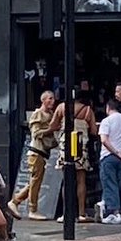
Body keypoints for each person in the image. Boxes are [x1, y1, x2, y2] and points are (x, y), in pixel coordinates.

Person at [8, 91, 56, 221]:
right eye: (50, 99)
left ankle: (15, 202)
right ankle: (32, 209)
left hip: (43, 152)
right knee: (35, 182)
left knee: (34, 182)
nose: (52, 101)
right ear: (43, 100)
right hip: (36, 152)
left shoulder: (51, 114)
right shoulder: (37, 114)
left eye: (53, 99)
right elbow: (36, 133)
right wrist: (50, 130)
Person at [49, 92, 98, 223]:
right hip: (80, 144)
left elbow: (52, 126)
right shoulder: (87, 110)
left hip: (66, 144)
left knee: (67, 180)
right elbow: (94, 131)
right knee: (81, 179)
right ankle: (82, 213)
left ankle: (66, 213)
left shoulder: (61, 107)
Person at [97, 99, 121, 224]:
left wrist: (115, 152)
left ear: (108, 107)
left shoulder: (106, 121)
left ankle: (113, 212)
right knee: (116, 184)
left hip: (109, 156)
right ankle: (104, 206)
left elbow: (104, 140)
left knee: (109, 184)